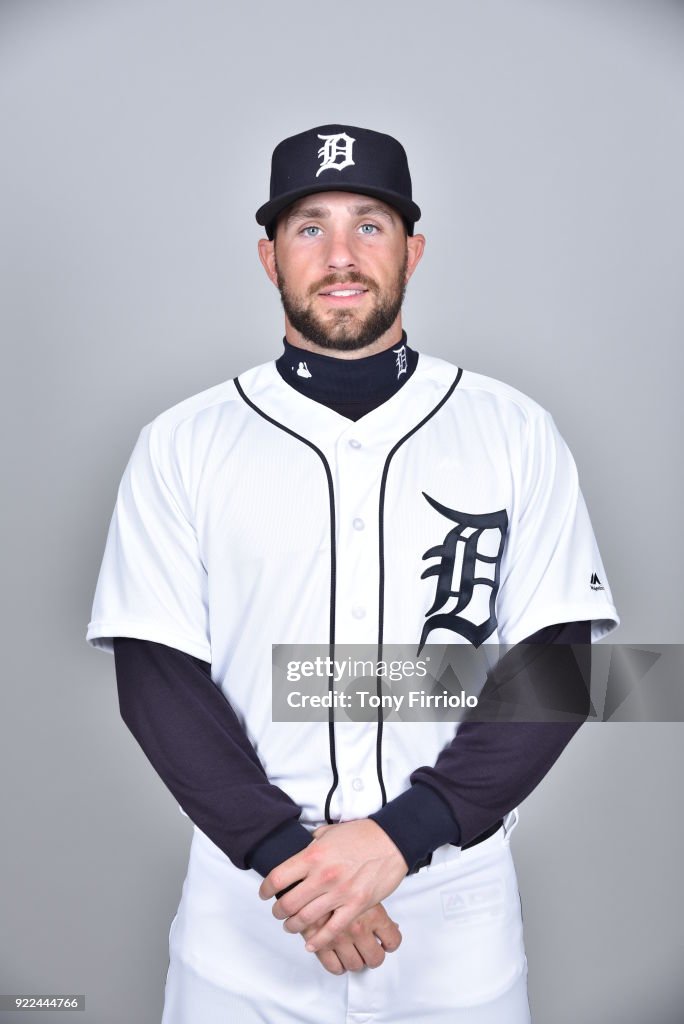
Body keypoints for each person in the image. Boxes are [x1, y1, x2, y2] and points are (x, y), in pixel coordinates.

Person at [86, 123, 619, 1023]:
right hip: (251, 918)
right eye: (309, 226)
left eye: (370, 224)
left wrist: (401, 838)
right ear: (268, 257)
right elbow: (156, 682)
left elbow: (559, 665)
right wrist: (287, 862)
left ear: (413, 249)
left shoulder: (512, 429)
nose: (340, 254)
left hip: (451, 917)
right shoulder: (183, 442)